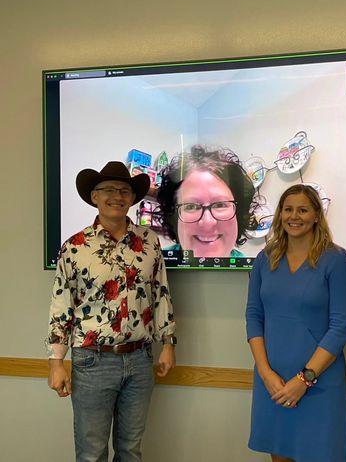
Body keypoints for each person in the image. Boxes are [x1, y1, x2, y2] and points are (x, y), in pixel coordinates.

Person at [46, 161, 176, 462]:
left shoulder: (149, 242)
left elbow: (161, 294)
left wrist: (167, 344)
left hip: (140, 359)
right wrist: (56, 361)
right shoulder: (75, 247)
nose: (117, 196)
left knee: (131, 450)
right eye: (108, 190)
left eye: (124, 190)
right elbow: (61, 303)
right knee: (91, 453)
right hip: (92, 360)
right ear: (94, 196)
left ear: (132, 199)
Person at [245, 184, 346, 462]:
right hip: (273, 383)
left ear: (317, 215)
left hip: (318, 383)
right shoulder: (264, 259)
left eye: (303, 210)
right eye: (288, 209)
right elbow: (253, 316)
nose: (295, 216)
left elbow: (340, 326)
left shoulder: (336, 260)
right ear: (280, 214)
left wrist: (304, 379)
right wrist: (265, 372)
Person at [157, 145, 257, 258]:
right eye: (191, 206)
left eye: (220, 205)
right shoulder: (153, 267)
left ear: (238, 215)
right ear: (173, 218)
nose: (207, 222)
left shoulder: (253, 273)